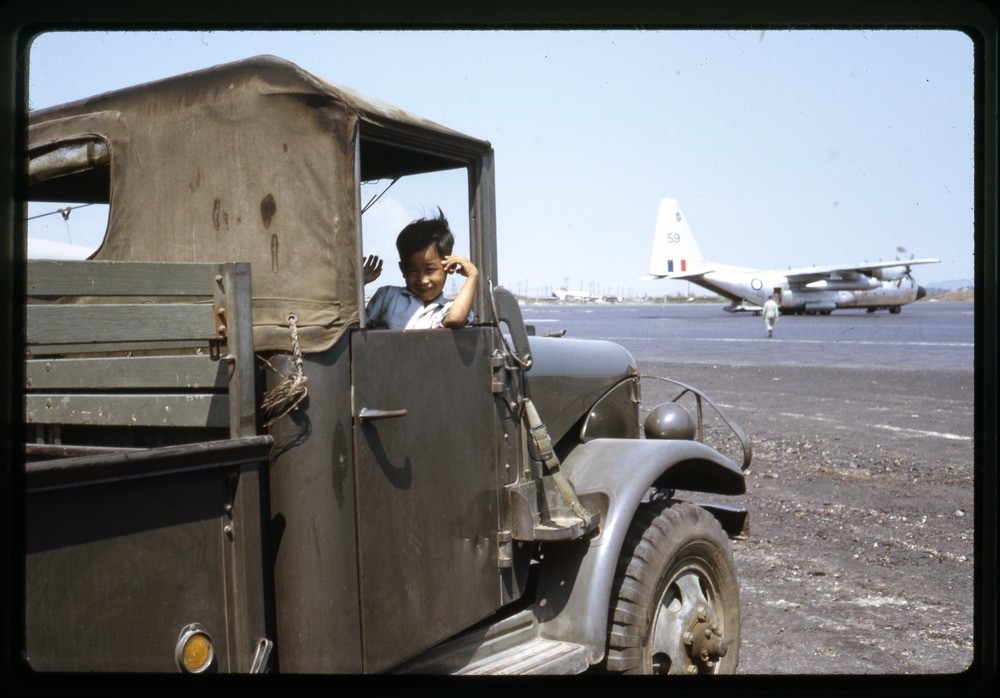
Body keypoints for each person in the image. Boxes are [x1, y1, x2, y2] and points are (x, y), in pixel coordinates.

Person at [364, 208, 478, 329]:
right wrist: (361, 284)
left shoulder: (449, 307)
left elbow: (455, 320)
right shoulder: (388, 296)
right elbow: (358, 326)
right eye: (412, 271)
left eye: (430, 270)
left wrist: (473, 276)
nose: (422, 280)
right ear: (402, 269)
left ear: (450, 266)